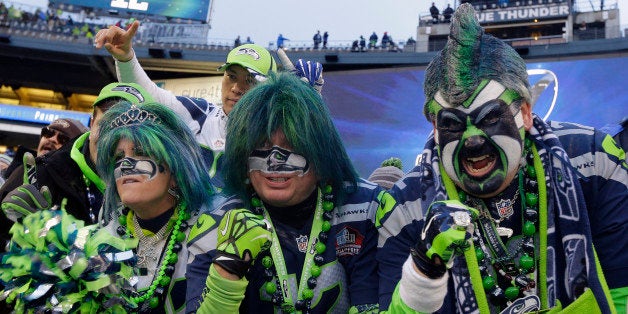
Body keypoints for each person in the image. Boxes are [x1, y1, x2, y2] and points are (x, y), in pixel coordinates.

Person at [376, 4, 627, 313]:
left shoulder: (594, 162)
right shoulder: (404, 207)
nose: (473, 141)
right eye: (452, 124)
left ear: (524, 112)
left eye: (489, 117)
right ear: (435, 129)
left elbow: (622, 293)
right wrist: (424, 270)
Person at [186, 72, 382, 313]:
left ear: (322, 153)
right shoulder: (216, 222)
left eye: (292, 144)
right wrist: (228, 269)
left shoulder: (364, 208)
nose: (275, 161)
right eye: (262, 146)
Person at [94, 21, 323, 188]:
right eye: (232, 76)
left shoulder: (278, 132)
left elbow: (317, 164)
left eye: (250, 80)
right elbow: (147, 95)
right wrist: (125, 57)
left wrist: (307, 102)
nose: (237, 88)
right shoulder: (197, 114)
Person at [0, 82, 153, 249]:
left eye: (127, 129)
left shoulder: (154, 191)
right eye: (107, 125)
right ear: (93, 123)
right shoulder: (38, 175)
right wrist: (12, 226)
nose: (113, 138)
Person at [96, 101, 215, 312]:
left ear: (176, 172)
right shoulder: (102, 240)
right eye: (119, 157)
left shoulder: (210, 233)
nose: (125, 164)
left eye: (141, 153)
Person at [2, 117, 88, 181]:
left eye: (63, 138)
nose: (52, 139)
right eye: (48, 133)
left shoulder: (79, 194)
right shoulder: (8, 175)